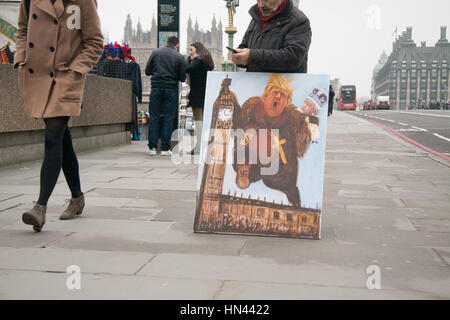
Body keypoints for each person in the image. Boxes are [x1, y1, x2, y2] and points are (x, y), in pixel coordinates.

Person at [15, 0, 104, 232]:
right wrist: (21, 58)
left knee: (53, 136)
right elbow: (23, 29)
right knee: (62, 139)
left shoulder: (83, 1)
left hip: (66, 77)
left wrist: (77, 70)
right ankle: (77, 198)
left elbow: (94, 41)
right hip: (38, 75)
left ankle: (40, 207)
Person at [233, 74, 325, 208]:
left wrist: (306, 125)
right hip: (251, 151)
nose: (278, 97)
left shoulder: (292, 116)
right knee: (243, 150)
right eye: (275, 92)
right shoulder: (252, 106)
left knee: (275, 180)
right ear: (266, 95)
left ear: (286, 103)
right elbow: (238, 129)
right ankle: (244, 168)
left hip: (279, 164)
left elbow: (301, 148)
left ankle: (292, 195)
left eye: (283, 95)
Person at [231, 0, 312, 73]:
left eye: (266, 0)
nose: (260, 5)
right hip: (255, 87)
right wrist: (239, 57)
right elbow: (245, 46)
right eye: (258, 0)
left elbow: (293, 58)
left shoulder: (299, 21)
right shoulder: (256, 18)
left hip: (283, 87)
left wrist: (252, 56)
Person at [145, 36, 186, 156]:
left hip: (156, 87)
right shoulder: (179, 57)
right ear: (176, 45)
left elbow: (148, 71)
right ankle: (164, 148)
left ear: (166, 43)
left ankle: (152, 148)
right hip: (171, 89)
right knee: (169, 118)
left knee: (154, 117)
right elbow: (182, 77)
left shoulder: (155, 52)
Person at [186, 42, 215, 154]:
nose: (190, 52)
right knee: (204, 120)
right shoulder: (207, 60)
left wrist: (188, 59)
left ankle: (199, 146)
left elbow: (188, 69)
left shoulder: (198, 60)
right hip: (206, 93)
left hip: (197, 94)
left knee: (198, 120)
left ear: (197, 50)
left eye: (191, 49)